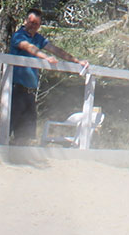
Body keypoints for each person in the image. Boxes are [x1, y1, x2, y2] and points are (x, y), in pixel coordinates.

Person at [8, 9, 81, 144]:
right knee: (8, 128)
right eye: (31, 22)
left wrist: (77, 61)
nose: (33, 26)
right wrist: (46, 58)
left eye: (36, 24)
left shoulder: (38, 38)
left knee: (25, 133)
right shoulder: (18, 36)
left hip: (30, 93)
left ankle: (19, 159)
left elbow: (56, 50)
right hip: (16, 90)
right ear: (25, 21)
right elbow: (28, 47)